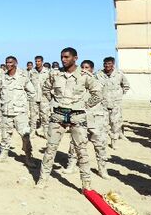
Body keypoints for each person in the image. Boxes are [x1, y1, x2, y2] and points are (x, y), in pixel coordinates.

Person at [35, 48, 102, 191]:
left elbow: (97, 94)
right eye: (62, 57)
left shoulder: (85, 76)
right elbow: (46, 89)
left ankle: (86, 184)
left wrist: (84, 105)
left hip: (77, 116)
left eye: (66, 57)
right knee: (50, 149)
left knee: (81, 151)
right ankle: (42, 179)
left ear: (75, 58)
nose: (63, 60)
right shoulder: (55, 74)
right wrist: (54, 102)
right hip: (58, 115)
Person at [0, 56, 35, 165]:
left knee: (25, 135)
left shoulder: (22, 77)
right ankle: (3, 154)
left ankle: (28, 157)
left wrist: (25, 105)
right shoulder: (2, 77)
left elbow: (32, 92)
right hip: (6, 112)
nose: (8, 64)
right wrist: (2, 105)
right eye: (7, 62)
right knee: (4, 135)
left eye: (11, 62)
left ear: (16, 63)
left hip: (19, 112)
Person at [95, 57, 131, 143]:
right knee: (103, 123)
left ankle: (114, 140)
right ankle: (103, 140)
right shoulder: (98, 74)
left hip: (116, 103)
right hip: (102, 103)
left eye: (109, 63)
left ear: (113, 64)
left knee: (115, 122)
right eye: (105, 63)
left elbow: (126, 85)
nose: (107, 65)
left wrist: (119, 94)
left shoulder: (119, 74)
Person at [28, 56, 51, 137]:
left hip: (44, 98)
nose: (37, 63)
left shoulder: (47, 72)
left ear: (42, 62)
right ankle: (32, 131)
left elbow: (51, 85)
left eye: (39, 61)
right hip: (33, 97)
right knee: (33, 116)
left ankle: (45, 132)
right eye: (36, 61)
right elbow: (28, 84)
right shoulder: (31, 72)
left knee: (45, 116)